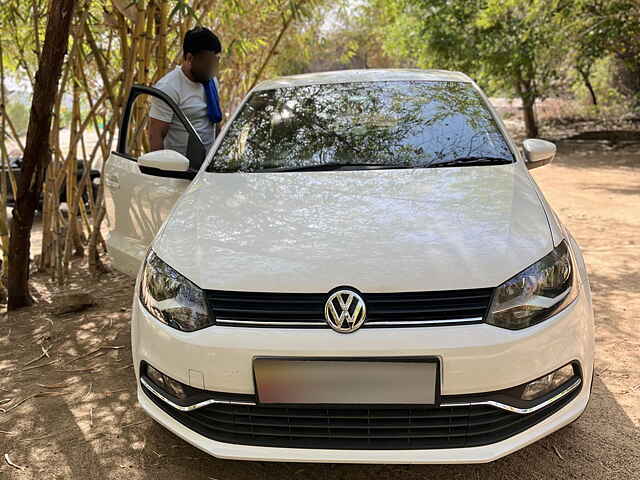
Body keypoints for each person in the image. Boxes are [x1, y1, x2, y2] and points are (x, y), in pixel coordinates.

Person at [148, 27, 222, 157]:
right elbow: (155, 134)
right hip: (181, 168)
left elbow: (215, 122)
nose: (212, 67)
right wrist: (160, 172)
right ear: (190, 58)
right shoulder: (169, 88)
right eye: (208, 62)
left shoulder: (211, 82)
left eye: (215, 61)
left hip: (207, 167)